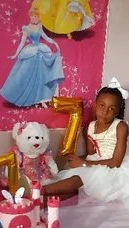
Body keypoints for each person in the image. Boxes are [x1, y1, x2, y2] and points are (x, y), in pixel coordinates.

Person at [43, 78, 129, 206]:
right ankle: (41, 202)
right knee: (76, 186)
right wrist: (78, 159)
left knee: (79, 180)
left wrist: (83, 163)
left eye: (111, 109)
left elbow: (115, 162)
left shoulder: (121, 126)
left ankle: (38, 191)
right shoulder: (90, 127)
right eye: (102, 106)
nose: (105, 112)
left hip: (112, 169)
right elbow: (90, 153)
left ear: (117, 111)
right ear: (95, 105)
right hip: (94, 162)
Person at [0, 8, 64, 108]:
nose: (35, 18)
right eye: (34, 16)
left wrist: (55, 43)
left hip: (40, 52)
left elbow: (46, 38)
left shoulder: (39, 27)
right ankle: (25, 97)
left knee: (42, 76)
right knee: (25, 76)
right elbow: (22, 42)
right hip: (31, 53)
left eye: (37, 17)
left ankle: (42, 99)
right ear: (30, 16)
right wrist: (16, 54)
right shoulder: (26, 28)